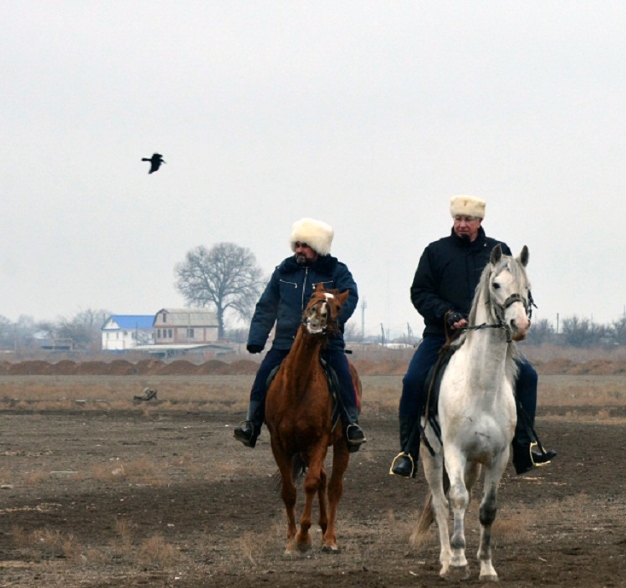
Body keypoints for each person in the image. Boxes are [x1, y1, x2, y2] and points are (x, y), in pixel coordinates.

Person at [389, 195, 556, 478]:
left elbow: (515, 287)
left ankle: (525, 447)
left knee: (528, 376)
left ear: (480, 221)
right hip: (443, 335)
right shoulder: (435, 252)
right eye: (458, 219)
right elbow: (420, 293)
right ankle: (408, 453)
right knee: (413, 380)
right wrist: (447, 314)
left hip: (491, 340)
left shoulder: (499, 252)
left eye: (468, 220)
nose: (462, 225)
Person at [234, 218, 365, 450]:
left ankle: (350, 426)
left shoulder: (337, 271)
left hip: (327, 344)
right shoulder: (283, 271)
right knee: (263, 376)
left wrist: (332, 321)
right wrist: (257, 339)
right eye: (297, 245)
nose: (299, 250)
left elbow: (350, 297)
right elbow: (266, 305)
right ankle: (251, 424)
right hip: (286, 343)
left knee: (343, 377)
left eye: (305, 245)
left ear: (318, 247)